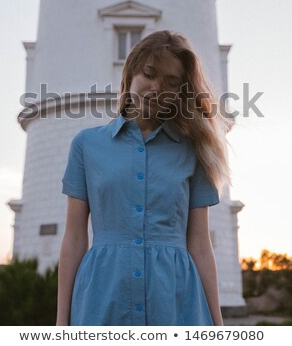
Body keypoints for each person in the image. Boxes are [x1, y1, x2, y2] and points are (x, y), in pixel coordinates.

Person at [56, 30, 232, 326]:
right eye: (149, 74)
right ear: (130, 75)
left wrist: (217, 325)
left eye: (171, 82)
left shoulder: (193, 151)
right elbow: (74, 238)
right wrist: (62, 323)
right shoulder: (86, 145)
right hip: (102, 295)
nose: (156, 88)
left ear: (181, 92)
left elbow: (200, 244)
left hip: (176, 299)